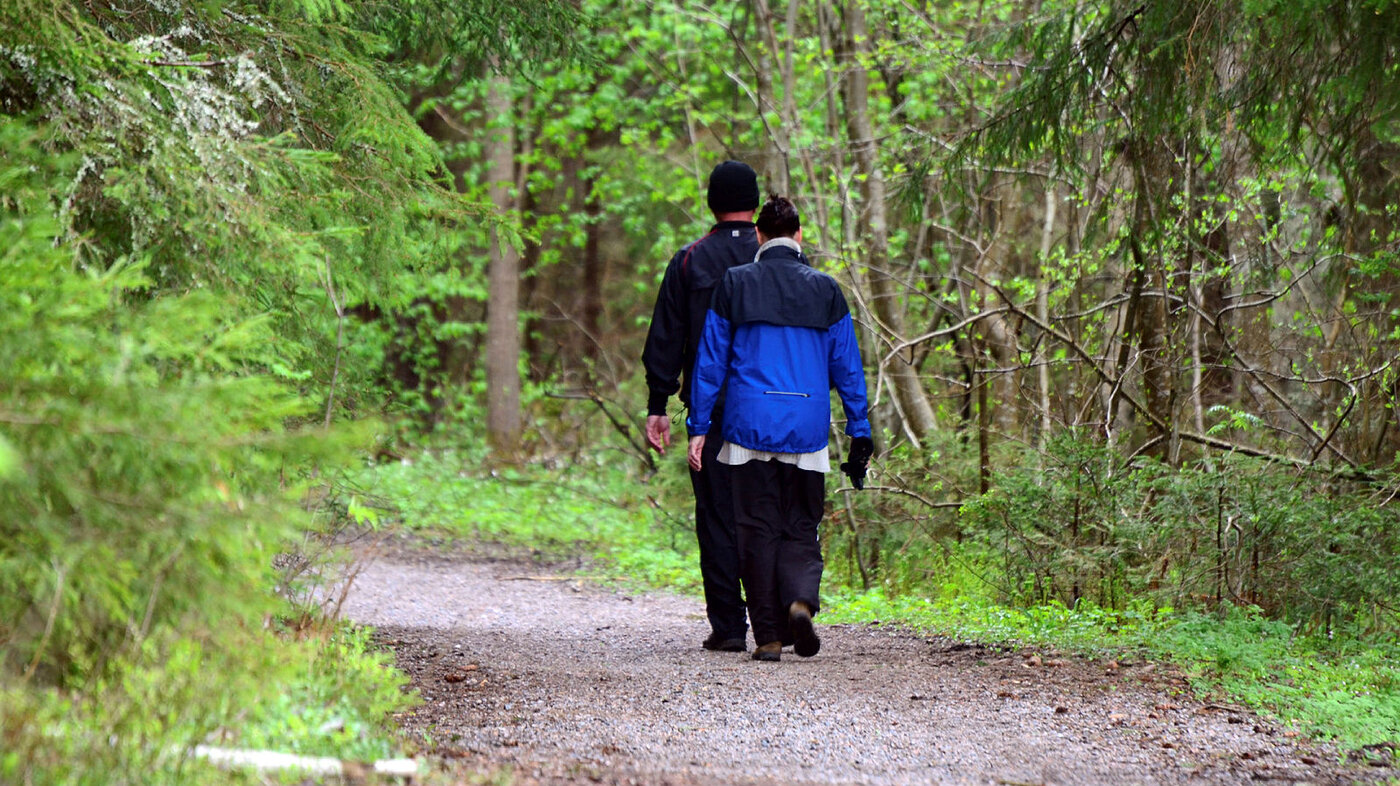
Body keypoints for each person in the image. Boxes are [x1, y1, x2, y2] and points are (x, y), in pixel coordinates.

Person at [685, 194, 874, 662]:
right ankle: (800, 600)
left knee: (755, 529)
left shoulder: (735, 283)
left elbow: (710, 361)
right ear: (799, 236)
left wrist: (699, 424)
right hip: (806, 430)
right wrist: (859, 428)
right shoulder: (826, 290)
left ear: (760, 236)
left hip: (748, 428)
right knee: (800, 527)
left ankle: (768, 635)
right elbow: (847, 367)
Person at [641, 160, 761, 652]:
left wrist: (657, 402)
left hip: (708, 412)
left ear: (711, 203)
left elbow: (665, 337)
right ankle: (771, 622)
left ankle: (729, 627)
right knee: (765, 513)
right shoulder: (778, 256)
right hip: (772, 410)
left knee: (715, 514)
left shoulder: (690, 260)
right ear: (754, 202)